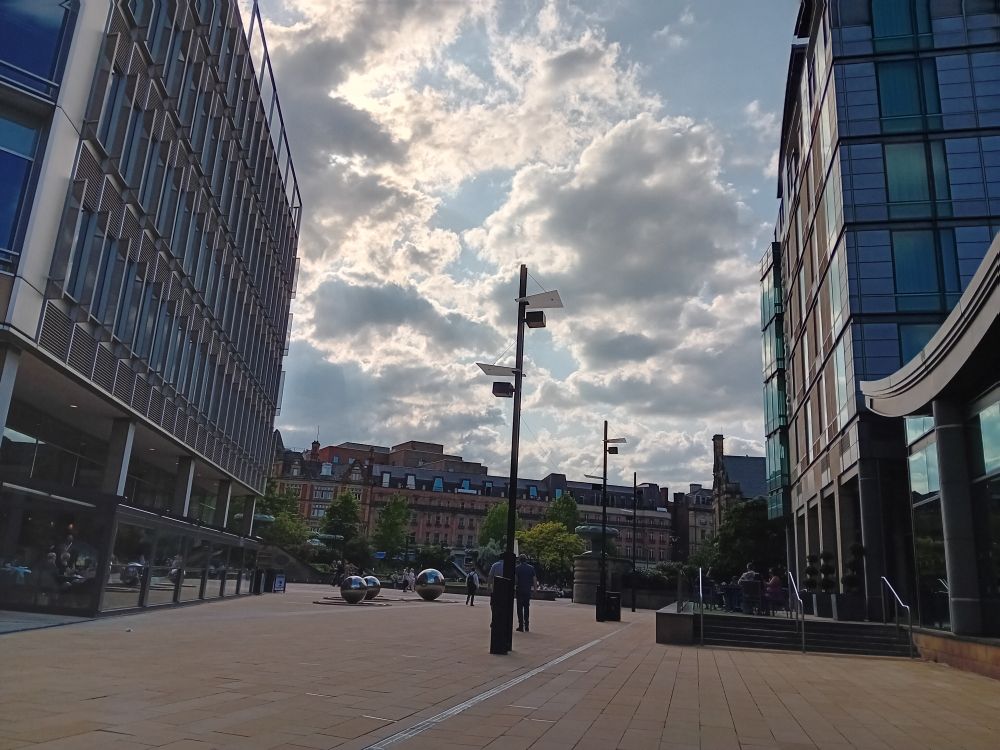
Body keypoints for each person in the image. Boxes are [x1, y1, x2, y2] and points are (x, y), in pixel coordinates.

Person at [514, 554, 536, 632]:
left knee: (519, 608)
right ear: (526, 559)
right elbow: (534, 579)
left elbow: (516, 580)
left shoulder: (517, 568)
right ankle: (527, 625)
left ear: (519, 560)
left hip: (519, 590)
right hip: (527, 591)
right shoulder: (531, 568)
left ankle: (521, 625)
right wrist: (535, 590)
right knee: (526, 608)